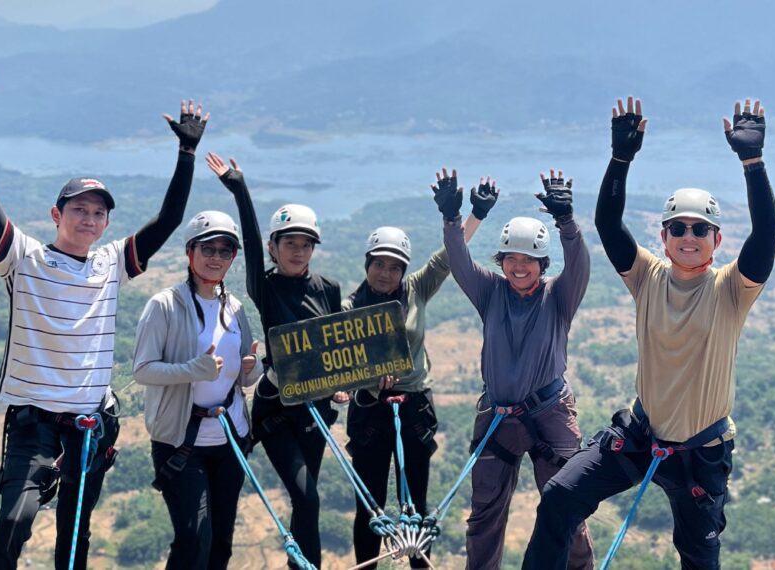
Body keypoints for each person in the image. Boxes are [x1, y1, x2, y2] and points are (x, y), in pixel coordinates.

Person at [0, 59, 208, 570]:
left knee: (74, 539)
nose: (90, 218)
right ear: (57, 215)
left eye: (99, 212)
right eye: (79, 208)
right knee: (13, 523)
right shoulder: (23, 258)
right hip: (34, 424)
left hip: (91, 426)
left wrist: (186, 153)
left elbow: (168, 219)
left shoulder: (112, 264)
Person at [521, 97, 775, 569]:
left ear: (717, 240)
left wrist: (753, 163)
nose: (688, 235)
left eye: (700, 229)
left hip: (701, 450)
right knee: (560, 496)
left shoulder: (730, 289)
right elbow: (607, 224)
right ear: (662, 236)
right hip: (641, 434)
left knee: (699, 555)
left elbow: (766, 236)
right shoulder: (647, 276)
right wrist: (621, 159)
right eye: (677, 227)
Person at [433, 168, 594, 570]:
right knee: (485, 513)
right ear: (501, 261)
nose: (519, 268)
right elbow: (459, 262)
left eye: (528, 260)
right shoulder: (490, 291)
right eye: (511, 259)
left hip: (549, 413)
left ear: (542, 263)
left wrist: (566, 221)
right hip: (498, 415)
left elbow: (579, 264)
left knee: (566, 509)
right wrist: (453, 220)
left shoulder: (559, 296)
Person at [343, 185, 494, 569]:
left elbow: (448, 258)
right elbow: (332, 363)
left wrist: (474, 213)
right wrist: (361, 382)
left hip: (414, 408)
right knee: (370, 506)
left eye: (394, 266)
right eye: (379, 264)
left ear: (404, 271)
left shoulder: (416, 290)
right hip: (369, 410)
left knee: (417, 507)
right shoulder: (349, 308)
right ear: (367, 264)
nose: (386, 273)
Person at [206, 152, 340, 568]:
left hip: (316, 408)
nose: (298, 252)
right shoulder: (264, 286)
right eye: (289, 244)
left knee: (307, 503)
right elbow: (246, 239)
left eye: (305, 245)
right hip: (277, 409)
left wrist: (341, 383)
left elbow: (336, 345)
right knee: (307, 497)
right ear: (273, 247)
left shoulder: (328, 288)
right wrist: (240, 187)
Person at [132, 211, 262, 569]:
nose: (216, 257)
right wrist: (193, 370)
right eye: (208, 248)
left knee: (220, 543)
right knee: (194, 541)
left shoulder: (234, 309)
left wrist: (252, 369)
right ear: (190, 252)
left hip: (230, 439)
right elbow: (142, 370)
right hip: (181, 442)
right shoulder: (164, 305)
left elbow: (244, 376)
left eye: (225, 251)